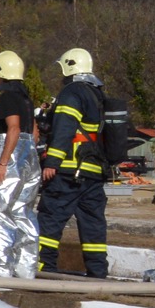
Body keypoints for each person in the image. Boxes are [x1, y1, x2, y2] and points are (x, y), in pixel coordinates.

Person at [37, 48, 111, 278]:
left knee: (50, 219)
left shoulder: (72, 92)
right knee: (93, 225)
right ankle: (98, 272)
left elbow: (64, 128)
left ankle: (44, 270)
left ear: (70, 67)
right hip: (93, 171)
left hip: (69, 170)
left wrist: (52, 162)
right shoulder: (97, 93)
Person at [0, 51, 40, 279]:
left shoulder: (8, 98)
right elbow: (33, 133)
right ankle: (25, 267)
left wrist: (3, 163)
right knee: (22, 212)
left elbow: (13, 128)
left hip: (11, 160)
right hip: (28, 161)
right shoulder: (26, 98)